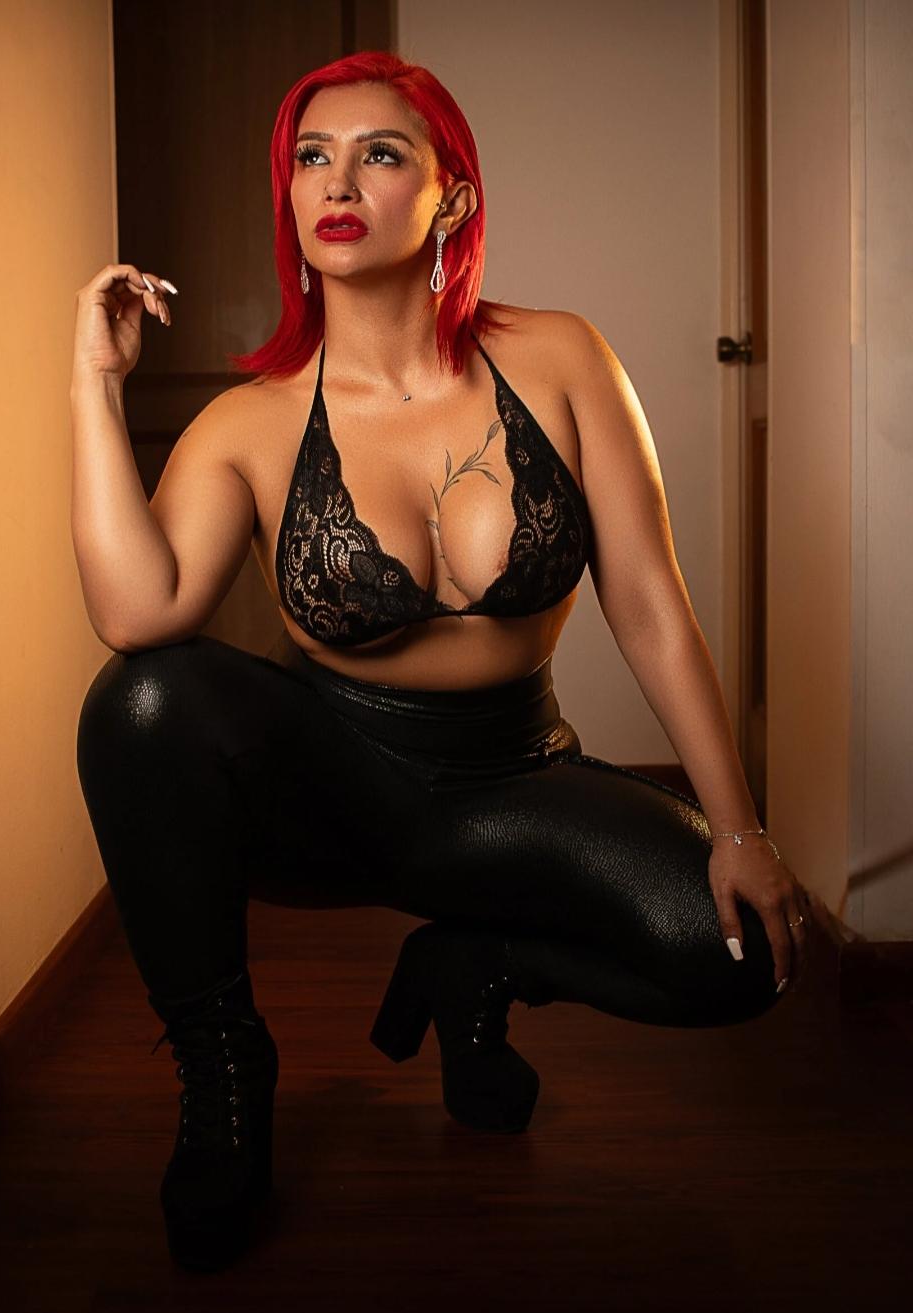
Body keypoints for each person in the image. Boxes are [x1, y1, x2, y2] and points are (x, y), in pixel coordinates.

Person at [71, 50, 811, 1274]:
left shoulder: (562, 358)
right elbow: (134, 611)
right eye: (312, 157)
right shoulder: (251, 420)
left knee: (744, 955)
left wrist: (739, 827)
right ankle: (223, 1070)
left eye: (380, 153)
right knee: (142, 698)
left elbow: (647, 603)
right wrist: (97, 387)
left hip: (515, 778)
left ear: (451, 195)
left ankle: (478, 961)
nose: (337, 181)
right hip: (336, 788)